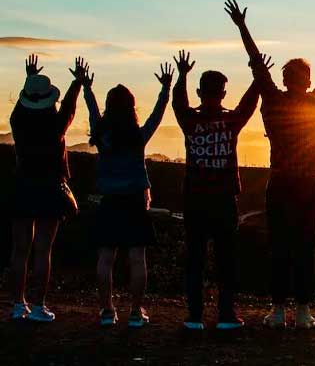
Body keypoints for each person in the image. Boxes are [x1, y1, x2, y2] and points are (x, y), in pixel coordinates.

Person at [224, 0, 315, 329]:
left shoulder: (273, 101)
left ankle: (278, 310)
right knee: (305, 246)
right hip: (308, 184)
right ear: (306, 79)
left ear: (286, 78)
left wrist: (242, 27)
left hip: (281, 182)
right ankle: (302, 311)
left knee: (279, 246)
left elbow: (257, 65)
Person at [172, 50, 263, 330]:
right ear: (224, 94)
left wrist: (182, 75)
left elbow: (178, 102)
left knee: (195, 259)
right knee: (226, 259)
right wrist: (258, 78)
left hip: (195, 200)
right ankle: (225, 314)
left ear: (199, 92)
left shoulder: (190, 121)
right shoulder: (231, 121)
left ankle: (194, 316)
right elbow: (249, 104)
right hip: (223, 201)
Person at [85, 62, 174, 327]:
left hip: (109, 200)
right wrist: (165, 90)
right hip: (135, 200)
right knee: (137, 258)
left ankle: (106, 311)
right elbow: (157, 116)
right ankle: (136, 312)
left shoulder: (102, 134)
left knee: (105, 257)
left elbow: (92, 111)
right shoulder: (138, 136)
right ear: (131, 107)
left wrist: (87, 87)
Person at [9, 55, 86, 322]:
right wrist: (78, 82)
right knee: (43, 249)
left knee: (20, 249)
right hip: (50, 188)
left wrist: (29, 78)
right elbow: (70, 108)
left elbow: (23, 105)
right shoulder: (56, 125)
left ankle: (18, 304)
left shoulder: (17, 122)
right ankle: (39, 304)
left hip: (22, 185)